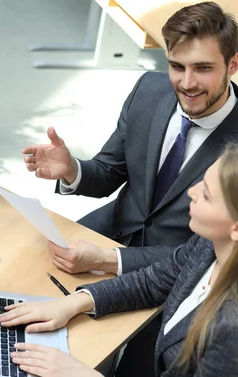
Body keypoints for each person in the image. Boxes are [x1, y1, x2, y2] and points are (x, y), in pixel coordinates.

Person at [0, 145, 238, 377]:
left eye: (206, 194)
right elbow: (153, 281)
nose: (191, 192)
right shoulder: (208, 244)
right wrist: (74, 303)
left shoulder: (231, 332)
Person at [23, 1, 238, 250]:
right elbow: (109, 172)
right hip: (110, 231)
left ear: (232, 65)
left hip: (168, 268)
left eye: (203, 68)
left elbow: (210, 255)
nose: (187, 83)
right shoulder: (149, 91)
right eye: (177, 66)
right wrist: (72, 169)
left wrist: (115, 261)